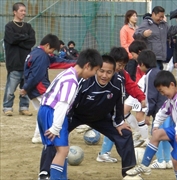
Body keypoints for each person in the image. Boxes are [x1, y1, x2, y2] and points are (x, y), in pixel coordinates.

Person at [38, 55, 137, 179]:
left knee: (125, 133)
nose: (104, 75)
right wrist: (62, 124)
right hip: (76, 115)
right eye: (101, 71)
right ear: (96, 70)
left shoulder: (118, 82)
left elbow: (119, 103)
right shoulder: (83, 81)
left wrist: (120, 122)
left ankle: (129, 173)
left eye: (109, 72)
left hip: (100, 117)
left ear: (114, 72)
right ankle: (45, 173)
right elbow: (70, 104)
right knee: (55, 136)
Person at [37, 48, 102, 180]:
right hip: (53, 112)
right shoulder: (71, 81)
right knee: (62, 151)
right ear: (87, 65)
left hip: (45, 110)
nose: (95, 74)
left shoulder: (67, 73)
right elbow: (62, 104)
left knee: (60, 149)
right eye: (95, 70)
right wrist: (56, 127)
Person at [126, 70, 177, 180]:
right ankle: (144, 166)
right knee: (157, 134)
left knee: (176, 161)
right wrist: (156, 125)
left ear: (172, 85)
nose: (163, 94)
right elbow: (162, 111)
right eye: (160, 92)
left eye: (162, 91)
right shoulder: (171, 99)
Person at [20, 34, 77, 144]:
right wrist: (26, 88)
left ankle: (38, 136)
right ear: (47, 45)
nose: (52, 53)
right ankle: (51, 132)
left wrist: (75, 63)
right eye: (52, 50)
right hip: (40, 88)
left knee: (42, 111)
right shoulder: (41, 56)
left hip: (33, 90)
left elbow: (56, 61)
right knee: (55, 108)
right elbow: (36, 75)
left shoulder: (36, 52)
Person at [96, 46, 147, 163]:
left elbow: (131, 86)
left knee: (116, 127)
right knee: (114, 127)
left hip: (111, 107)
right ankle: (104, 153)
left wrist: (141, 98)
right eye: (119, 64)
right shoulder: (100, 72)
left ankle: (104, 153)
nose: (121, 68)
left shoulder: (123, 74)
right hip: (98, 107)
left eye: (123, 65)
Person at [136, 50, 173, 169]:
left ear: (142, 64)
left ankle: (160, 160)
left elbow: (151, 96)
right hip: (169, 109)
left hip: (159, 111)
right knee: (166, 135)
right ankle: (168, 160)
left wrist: (148, 114)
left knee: (156, 134)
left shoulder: (149, 75)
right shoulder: (159, 72)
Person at [3, 2, 36, 116]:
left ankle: (24, 107)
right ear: (15, 12)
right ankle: (7, 107)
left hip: (27, 63)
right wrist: (24, 39)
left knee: (25, 87)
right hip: (14, 63)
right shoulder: (9, 27)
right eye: (21, 11)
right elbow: (11, 39)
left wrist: (19, 40)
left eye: (24, 11)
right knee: (10, 88)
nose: (24, 13)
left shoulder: (28, 27)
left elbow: (32, 41)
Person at [133, 6, 177, 70]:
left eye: (162, 17)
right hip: (151, 58)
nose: (161, 19)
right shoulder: (146, 23)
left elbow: (171, 31)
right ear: (153, 14)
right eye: (160, 16)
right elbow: (135, 35)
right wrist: (143, 34)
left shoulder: (163, 24)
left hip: (161, 58)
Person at [120, 10, 138, 80]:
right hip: (130, 58)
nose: (135, 17)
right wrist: (131, 55)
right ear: (128, 17)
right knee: (129, 77)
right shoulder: (124, 29)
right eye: (133, 16)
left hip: (137, 58)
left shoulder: (138, 28)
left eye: (136, 16)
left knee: (136, 77)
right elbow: (124, 45)